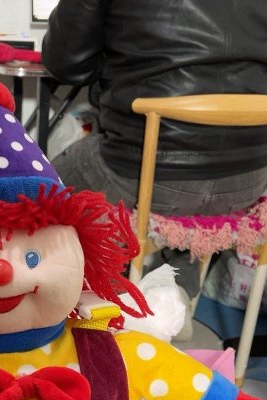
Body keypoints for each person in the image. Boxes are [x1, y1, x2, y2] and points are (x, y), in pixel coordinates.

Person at [42, 0, 267, 340]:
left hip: (147, 173)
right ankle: (173, 293)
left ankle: (99, 302)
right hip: (246, 180)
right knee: (181, 195)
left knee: (43, 185)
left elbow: (66, 65)